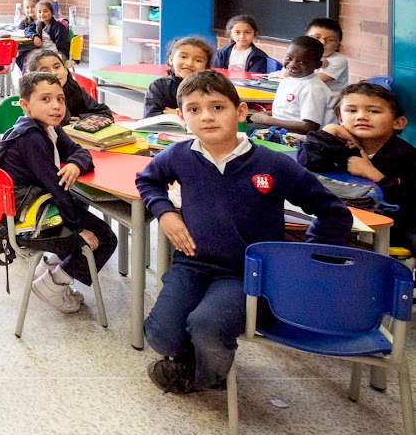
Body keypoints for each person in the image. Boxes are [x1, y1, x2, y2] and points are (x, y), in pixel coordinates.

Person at [137, 71, 352, 394]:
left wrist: (300, 259)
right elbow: (148, 180)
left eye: (217, 107)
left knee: (207, 326)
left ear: (240, 111)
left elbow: (334, 213)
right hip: (193, 265)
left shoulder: (272, 163)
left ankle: (207, 376)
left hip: (247, 274)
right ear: (182, 117)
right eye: (194, 109)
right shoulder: (179, 155)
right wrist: (164, 212)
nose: (206, 117)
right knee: (160, 335)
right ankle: (192, 357)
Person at [0, 70, 119, 314]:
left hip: (36, 202)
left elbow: (80, 152)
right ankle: (54, 283)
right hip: (24, 216)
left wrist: (75, 164)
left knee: (79, 208)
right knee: (104, 238)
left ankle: (52, 266)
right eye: (45, 99)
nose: (56, 106)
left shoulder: (49, 127)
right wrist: (77, 228)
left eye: (60, 99)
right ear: (26, 105)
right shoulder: (31, 138)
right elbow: (57, 187)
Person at [298, 81, 416, 248]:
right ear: (340, 119)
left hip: (390, 231)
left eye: (374, 111)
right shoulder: (337, 145)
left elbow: (410, 208)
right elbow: (307, 161)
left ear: (398, 122)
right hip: (340, 222)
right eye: (352, 111)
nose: (361, 117)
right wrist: (329, 131)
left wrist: (375, 175)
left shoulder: (408, 157)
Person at [247, 36, 332, 134]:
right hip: (280, 129)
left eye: (302, 62)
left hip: (296, 138)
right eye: (289, 58)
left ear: (317, 65)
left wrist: (266, 120)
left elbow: (309, 126)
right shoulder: (288, 81)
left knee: (247, 130)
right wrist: (266, 114)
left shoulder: (312, 89)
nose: (292, 64)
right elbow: (290, 112)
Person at [26, 48, 112, 124]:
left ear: (65, 70)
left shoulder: (76, 90)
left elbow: (105, 113)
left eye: (57, 67)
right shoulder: (35, 102)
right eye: (45, 71)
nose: (54, 73)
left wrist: (83, 119)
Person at [142, 36, 213, 117]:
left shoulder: (210, 88)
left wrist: (181, 115)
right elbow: (150, 116)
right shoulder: (159, 86)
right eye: (183, 57)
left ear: (206, 67)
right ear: (171, 60)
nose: (189, 63)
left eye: (198, 60)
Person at [211, 14, 276, 75]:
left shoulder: (259, 56)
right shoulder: (222, 53)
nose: (242, 36)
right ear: (230, 34)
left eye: (247, 32)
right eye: (237, 32)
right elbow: (216, 74)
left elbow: (254, 78)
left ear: (254, 33)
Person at [19, 0, 69, 68]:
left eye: (45, 11)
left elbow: (62, 46)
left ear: (52, 12)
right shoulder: (37, 23)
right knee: (24, 58)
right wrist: (35, 36)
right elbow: (27, 30)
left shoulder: (58, 27)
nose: (42, 14)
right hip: (41, 51)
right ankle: (30, 74)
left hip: (54, 52)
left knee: (35, 61)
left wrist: (62, 58)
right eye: (39, 12)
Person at [305, 16, 349, 90]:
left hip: (329, 97)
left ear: (337, 45)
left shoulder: (339, 61)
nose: (322, 42)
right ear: (305, 39)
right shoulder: (301, 55)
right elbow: (286, 73)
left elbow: (312, 82)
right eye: (317, 37)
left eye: (330, 40)